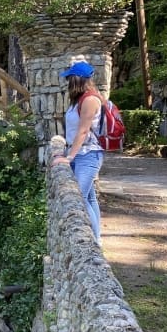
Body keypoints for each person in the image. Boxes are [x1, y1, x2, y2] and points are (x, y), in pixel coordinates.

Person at [51, 61, 104, 243]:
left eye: (69, 79)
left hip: (88, 155)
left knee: (79, 198)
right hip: (80, 154)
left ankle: (94, 242)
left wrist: (69, 157)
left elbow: (83, 131)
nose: (67, 83)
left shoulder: (90, 100)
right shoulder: (79, 100)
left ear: (76, 80)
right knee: (89, 197)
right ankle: (97, 238)